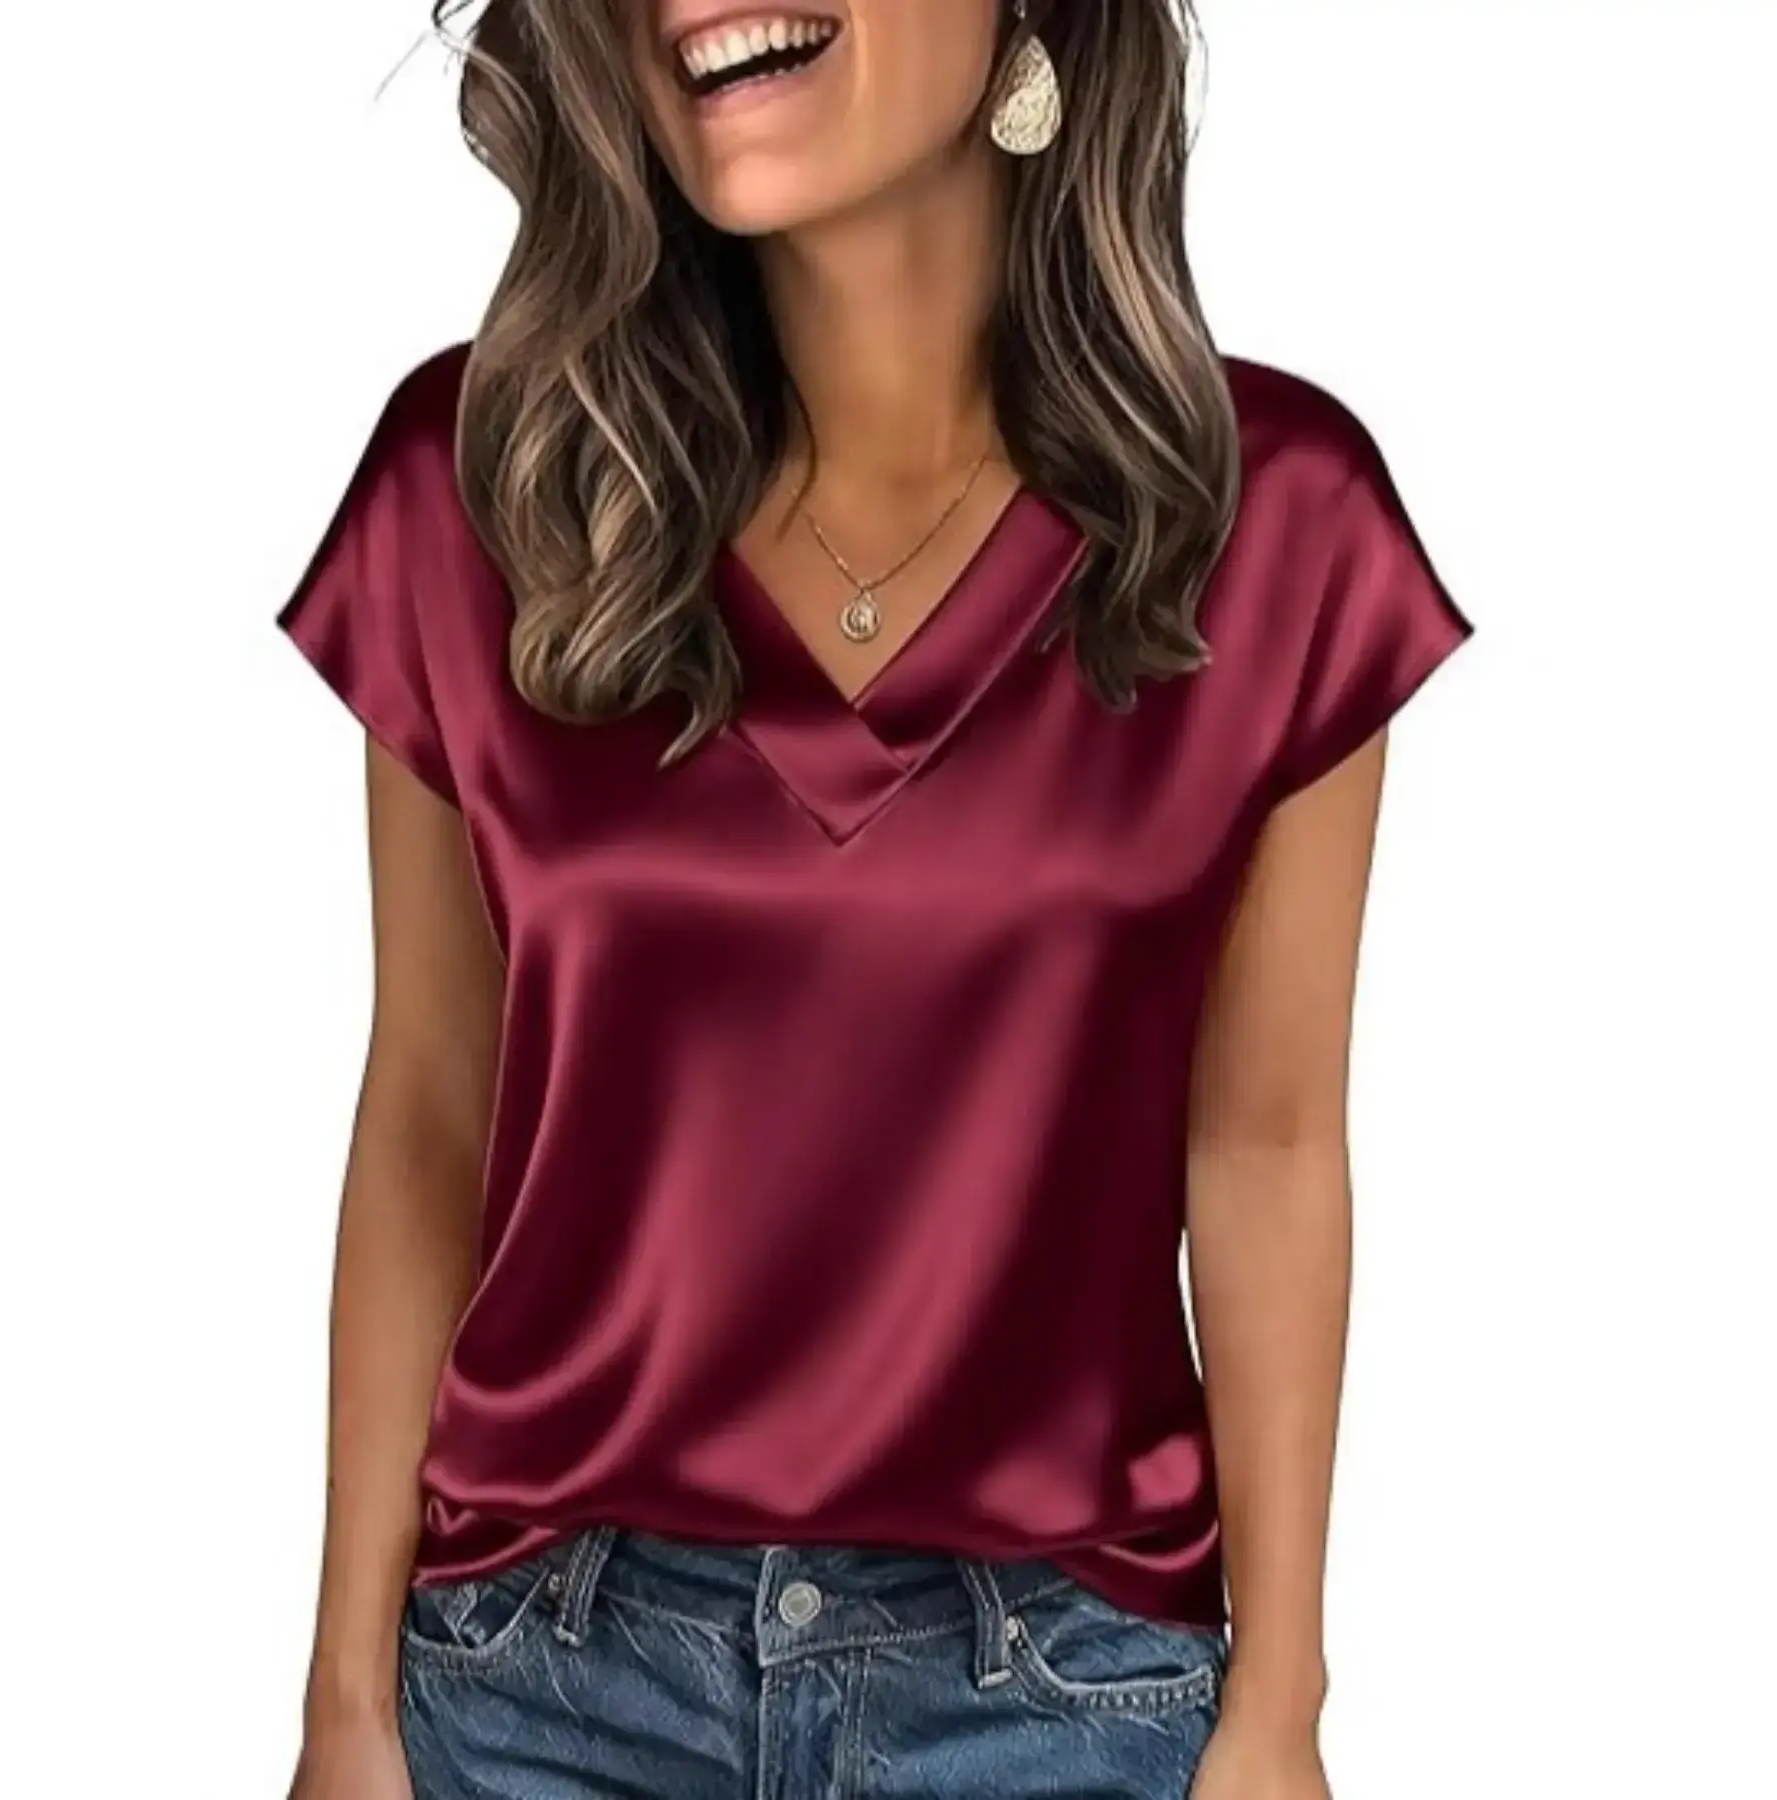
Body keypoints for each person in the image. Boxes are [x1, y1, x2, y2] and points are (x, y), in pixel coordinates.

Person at [278, 3, 1473, 1796]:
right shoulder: (493, 484)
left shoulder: (1269, 521)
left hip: (1060, 1702)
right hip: (541, 1689)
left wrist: (1280, 1706)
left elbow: (1269, 1141)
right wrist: (345, 1708)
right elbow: (430, 1118)